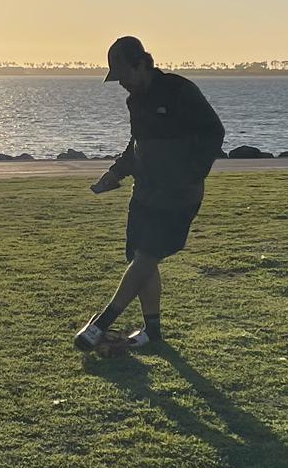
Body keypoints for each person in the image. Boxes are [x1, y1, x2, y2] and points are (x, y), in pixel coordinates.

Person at [74, 35, 225, 352]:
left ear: (142, 64)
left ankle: (101, 325)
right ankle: (152, 332)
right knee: (139, 260)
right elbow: (136, 145)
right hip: (145, 191)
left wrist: (191, 173)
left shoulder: (180, 91)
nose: (122, 84)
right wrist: (115, 173)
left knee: (145, 257)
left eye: (124, 75)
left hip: (179, 195)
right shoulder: (135, 102)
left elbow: (214, 132)